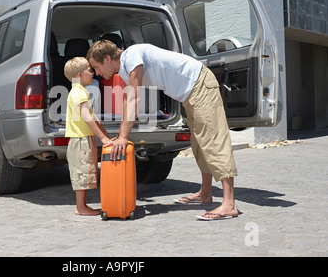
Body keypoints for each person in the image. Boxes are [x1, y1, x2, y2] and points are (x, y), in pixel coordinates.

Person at [87, 41, 238, 221]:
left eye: (96, 67)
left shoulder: (132, 55)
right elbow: (128, 100)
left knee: (213, 140)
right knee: (200, 142)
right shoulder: (126, 70)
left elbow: (134, 99)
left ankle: (229, 204)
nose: (96, 73)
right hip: (190, 93)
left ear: (107, 58)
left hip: (199, 84)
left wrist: (123, 137)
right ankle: (205, 193)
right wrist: (120, 136)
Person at [64, 57, 111, 216]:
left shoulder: (79, 92)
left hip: (83, 138)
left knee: (85, 171)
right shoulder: (78, 93)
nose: (93, 73)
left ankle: (82, 206)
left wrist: (104, 133)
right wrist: (103, 138)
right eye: (89, 71)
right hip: (80, 139)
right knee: (82, 173)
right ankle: (80, 207)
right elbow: (87, 117)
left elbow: (93, 116)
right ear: (79, 75)